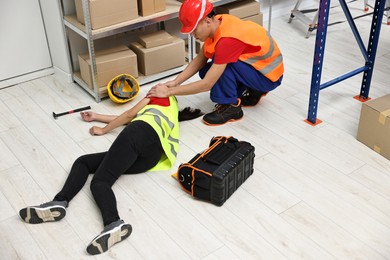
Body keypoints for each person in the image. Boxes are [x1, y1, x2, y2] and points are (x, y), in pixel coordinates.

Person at [19, 96, 180, 255]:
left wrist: (103, 130)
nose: (155, 87)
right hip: (151, 158)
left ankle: (112, 222)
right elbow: (127, 117)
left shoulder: (159, 94)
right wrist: (96, 116)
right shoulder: (168, 110)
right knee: (85, 163)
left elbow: (129, 115)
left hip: (137, 134)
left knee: (100, 181)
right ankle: (59, 203)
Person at [147, 0, 284, 126]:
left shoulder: (227, 40)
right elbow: (200, 60)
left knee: (222, 68)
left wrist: (168, 92)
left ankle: (231, 107)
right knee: (207, 69)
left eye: (194, 29)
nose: (192, 34)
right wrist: (176, 82)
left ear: (207, 20)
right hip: (261, 70)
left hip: (268, 77)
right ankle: (254, 90)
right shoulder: (218, 23)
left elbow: (207, 84)